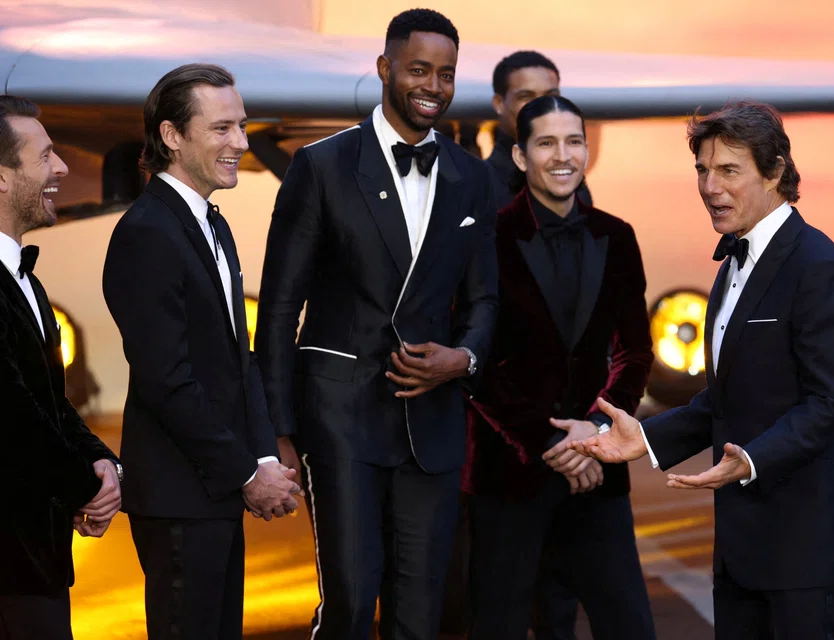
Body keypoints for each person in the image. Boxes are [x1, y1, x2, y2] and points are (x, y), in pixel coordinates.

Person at [570, 101, 834, 640]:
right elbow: (724, 399)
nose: (708, 186)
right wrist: (645, 440)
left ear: (775, 172)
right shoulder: (732, 265)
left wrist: (749, 459)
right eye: (702, 169)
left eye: (728, 170)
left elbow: (831, 405)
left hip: (806, 541)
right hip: (743, 540)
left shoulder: (821, 269)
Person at [255, 8, 498, 640]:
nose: (434, 86)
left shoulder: (472, 176)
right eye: (419, 69)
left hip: (433, 424)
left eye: (446, 74)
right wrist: (278, 432)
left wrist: (463, 359)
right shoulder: (322, 166)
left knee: (420, 615)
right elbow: (281, 309)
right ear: (385, 68)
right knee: (350, 603)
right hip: (342, 422)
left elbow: (486, 301)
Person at [102, 64, 301, 640]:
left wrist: (263, 456)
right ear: (171, 136)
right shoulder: (147, 232)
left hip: (209, 493)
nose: (241, 142)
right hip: (178, 497)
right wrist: (246, 473)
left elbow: (238, 362)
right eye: (222, 128)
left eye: (241, 126)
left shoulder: (209, 223)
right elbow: (169, 382)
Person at [462, 95, 656, 640]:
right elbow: (476, 365)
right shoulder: (486, 238)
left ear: (587, 151)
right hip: (509, 476)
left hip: (598, 472)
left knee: (630, 626)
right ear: (521, 157)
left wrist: (594, 432)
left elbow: (635, 353)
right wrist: (549, 445)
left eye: (573, 141)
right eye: (546, 143)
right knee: (498, 627)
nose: (562, 155)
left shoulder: (617, 236)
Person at [0, 94, 122, 640]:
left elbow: (49, 401)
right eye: (44, 156)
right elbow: (9, 414)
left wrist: (100, 461)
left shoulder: (26, 279)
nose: (64, 168)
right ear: (2, 178)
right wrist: (84, 488)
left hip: (36, 556)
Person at [487, 50, 592, 209]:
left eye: (550, 96)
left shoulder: (575, 187)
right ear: (499, 103)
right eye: (526, 96)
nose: (542, 107)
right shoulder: (476, 188)